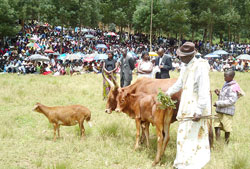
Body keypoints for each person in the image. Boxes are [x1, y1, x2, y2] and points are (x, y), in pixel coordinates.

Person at [165, 42, 211, 169]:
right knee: (182, 134)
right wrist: (167, 93)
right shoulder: (185, 66)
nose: (180, 58)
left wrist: (199, 110)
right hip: (186, 104)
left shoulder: (200, 67)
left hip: (195, 106)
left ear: (190, 55)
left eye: (182, 56)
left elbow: (204, 89)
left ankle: (192, 164)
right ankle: (181, 161)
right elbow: (180, 83)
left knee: (193, 136)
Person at [214, 70, 244, 144]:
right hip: (220, 110)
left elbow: (231, 101)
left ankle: (226, 143)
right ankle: (218, 142)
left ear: (231, 77)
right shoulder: (226, 84)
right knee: (216, 125)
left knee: (227, 128)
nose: (224, 78)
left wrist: (218, 103)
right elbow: (226, 96)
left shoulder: (234, 86)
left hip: (227, 111)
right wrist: (219, 93)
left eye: (225, 76)